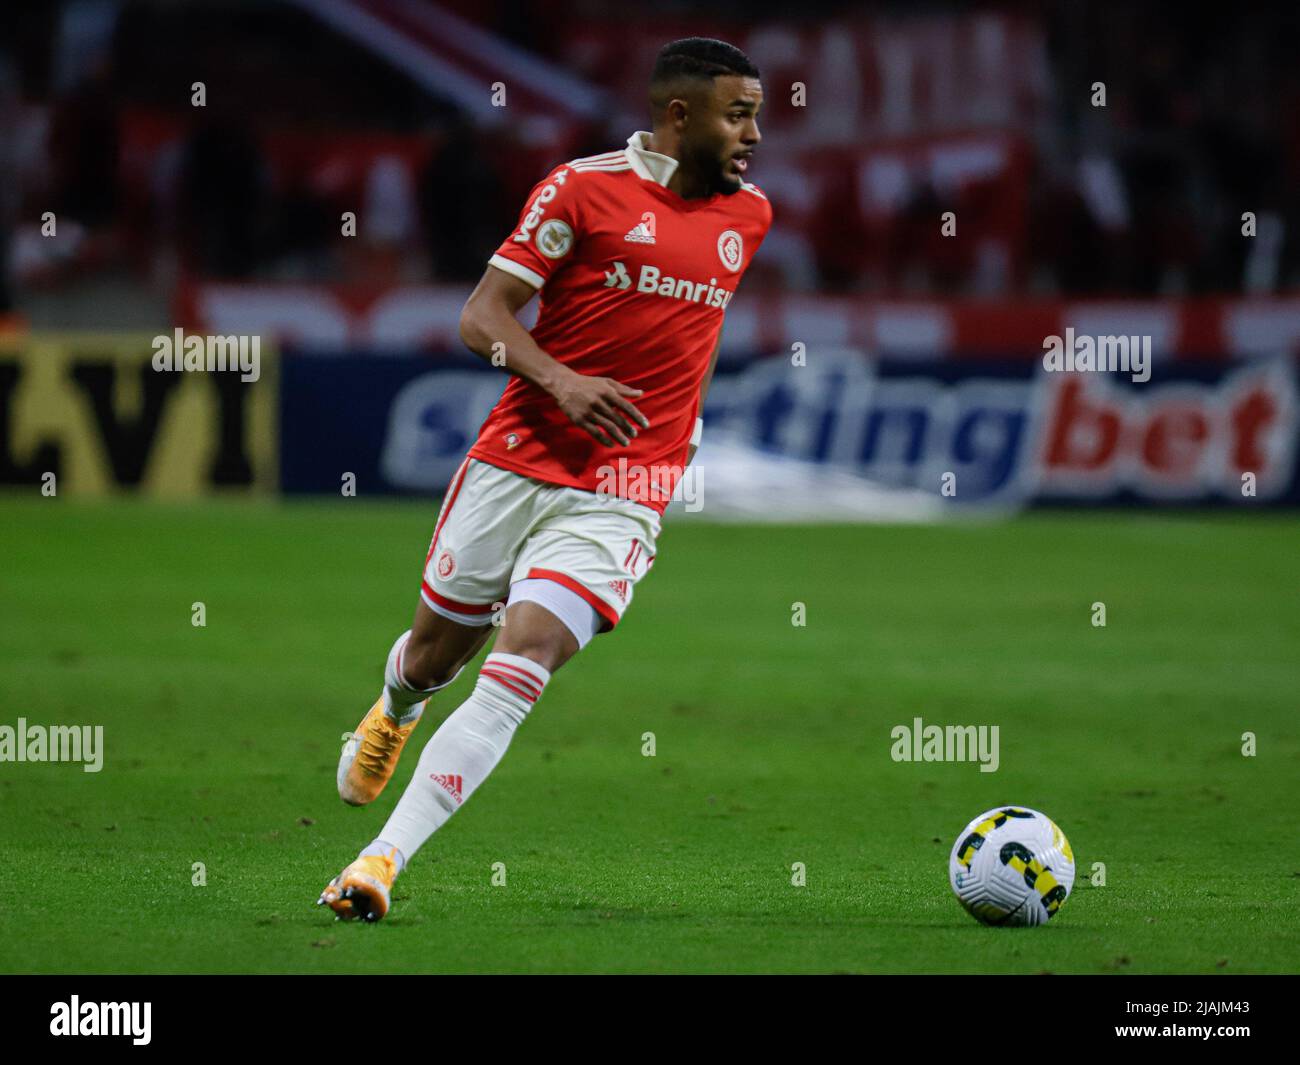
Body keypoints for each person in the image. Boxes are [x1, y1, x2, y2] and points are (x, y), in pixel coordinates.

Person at [319, 37, 771, 921]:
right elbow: (479, 316)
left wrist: (667, 444)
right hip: (517, 460)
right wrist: (560, 379)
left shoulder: (749, 217)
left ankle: (379, 861)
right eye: (739, 113)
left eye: (756, 113)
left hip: (628, 485)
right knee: (434, 654)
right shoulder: (581, 191)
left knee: (522, 656)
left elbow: (683, 346)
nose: (754, 134)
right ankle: (395, 707)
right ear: (680, 116)